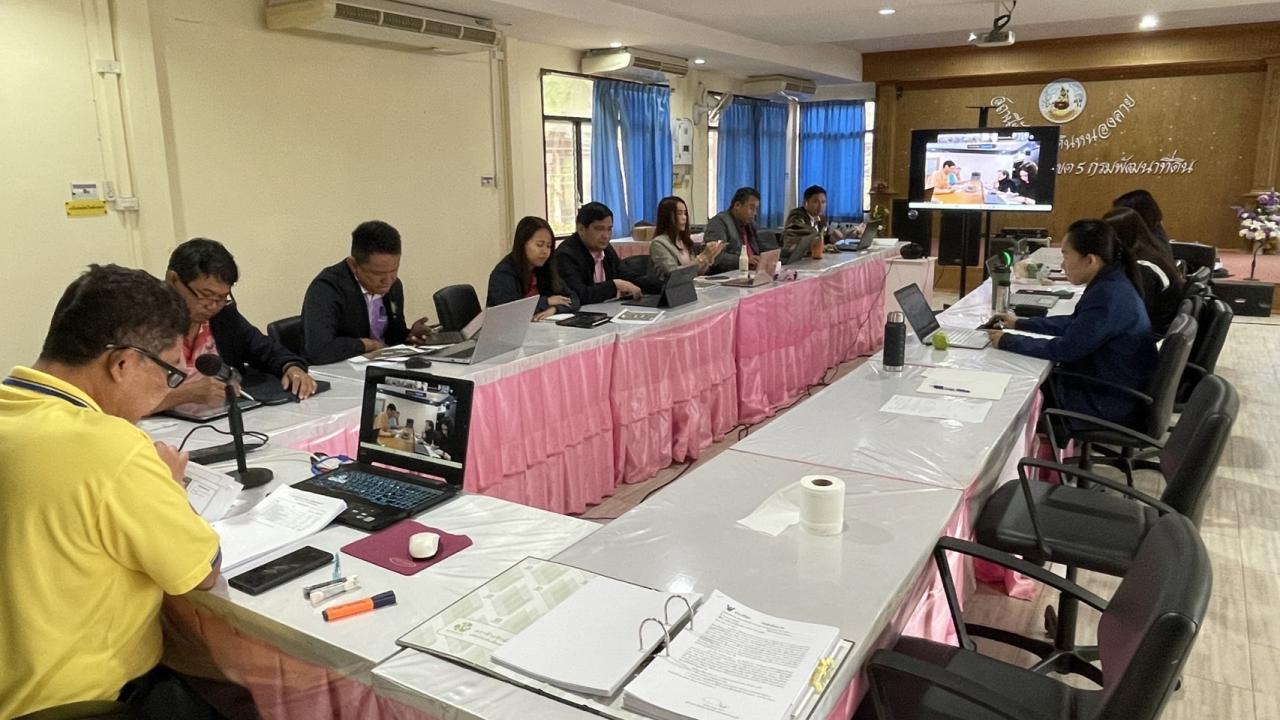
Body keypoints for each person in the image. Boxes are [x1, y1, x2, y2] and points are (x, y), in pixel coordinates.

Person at [0, 265, 226, 718]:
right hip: (77, 702)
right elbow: (202, 571)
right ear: (122, 363)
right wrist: (169, 486)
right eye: (170, 373)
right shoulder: (110, 448)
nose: (168, 388)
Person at [987, 219, 1157, 430]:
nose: (1062, 265)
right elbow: (1076, 324)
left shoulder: (1108, 295)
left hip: (1105, 400)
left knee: (1012, 390)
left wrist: (1008, 341)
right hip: (1110, 387)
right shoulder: (1111, 283)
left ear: (1090, 260)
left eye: (1066, 255)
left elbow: (1065, 350)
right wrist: (1020, 323)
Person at [155, 238, 318, 412]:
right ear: (172, 280)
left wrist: (292, 367)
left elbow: (267, 350)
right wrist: (184, 395)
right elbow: (131, 400)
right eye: (205, 295)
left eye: (221, 298)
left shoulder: (223, 317)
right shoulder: (144, 324)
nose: (213, 306)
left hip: (224, 416)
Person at [302, 220, 431, 365]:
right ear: (353, 265)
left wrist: (409, 335)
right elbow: (319, 350)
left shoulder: (394, 286)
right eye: (378, 273)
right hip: (340, 368)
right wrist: (368, 345)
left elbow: (392, 338)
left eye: (394, 270)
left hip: (383, 364)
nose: (388, 280)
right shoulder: (327, 289)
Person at [554, 202, 660, 305]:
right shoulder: (566, 255)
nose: (606, 236)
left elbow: (627, 277)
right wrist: (614, 286)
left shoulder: (606, 249)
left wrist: (660, 286)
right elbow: (579, 295)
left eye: (609, 229)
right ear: (581, 229)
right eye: (599, 229)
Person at [1104, 207, 1185, 334]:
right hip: (1152, 329)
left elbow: (1135, 315)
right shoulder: (1149, 252)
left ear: (1119, 237)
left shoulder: (1143, 268)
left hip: (1151, 335)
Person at [486, 216, 579, 320]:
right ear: (523, 244)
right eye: (539, 245)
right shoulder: (504, 273)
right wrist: (547, 301)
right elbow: (510, 311)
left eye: (548, 246)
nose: (545, 251)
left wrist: (554, 309)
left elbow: (573, 299)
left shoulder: (544, 268)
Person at [648, 196, 724, 281]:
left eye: (685, 213)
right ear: (667, 217)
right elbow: (673, 273)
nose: (684, 217)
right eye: (679, 214)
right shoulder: (658, 243)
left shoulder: (684, 241)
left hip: (690, 284)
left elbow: (697, 272)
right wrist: (702, 257)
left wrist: (710, 257)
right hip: (673, 288)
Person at [705, 187, 776, 273]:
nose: (755, 213)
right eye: (751, 208)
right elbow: (715, 257)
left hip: (751, 272)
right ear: (737, 205)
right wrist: (744, 260)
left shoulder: (750, 224)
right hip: (729, 275)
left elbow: (762, 249)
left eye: (756, 209)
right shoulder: (719, 223)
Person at [782, 185, 846, 258]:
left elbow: (822, 237)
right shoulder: (796, 215)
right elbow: (804, 236)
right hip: (793, 259)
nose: (820, 206)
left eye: (823, 202)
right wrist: (822, 241)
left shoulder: (821, 218)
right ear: (805, 203)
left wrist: (831, 238)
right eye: (816, 202)